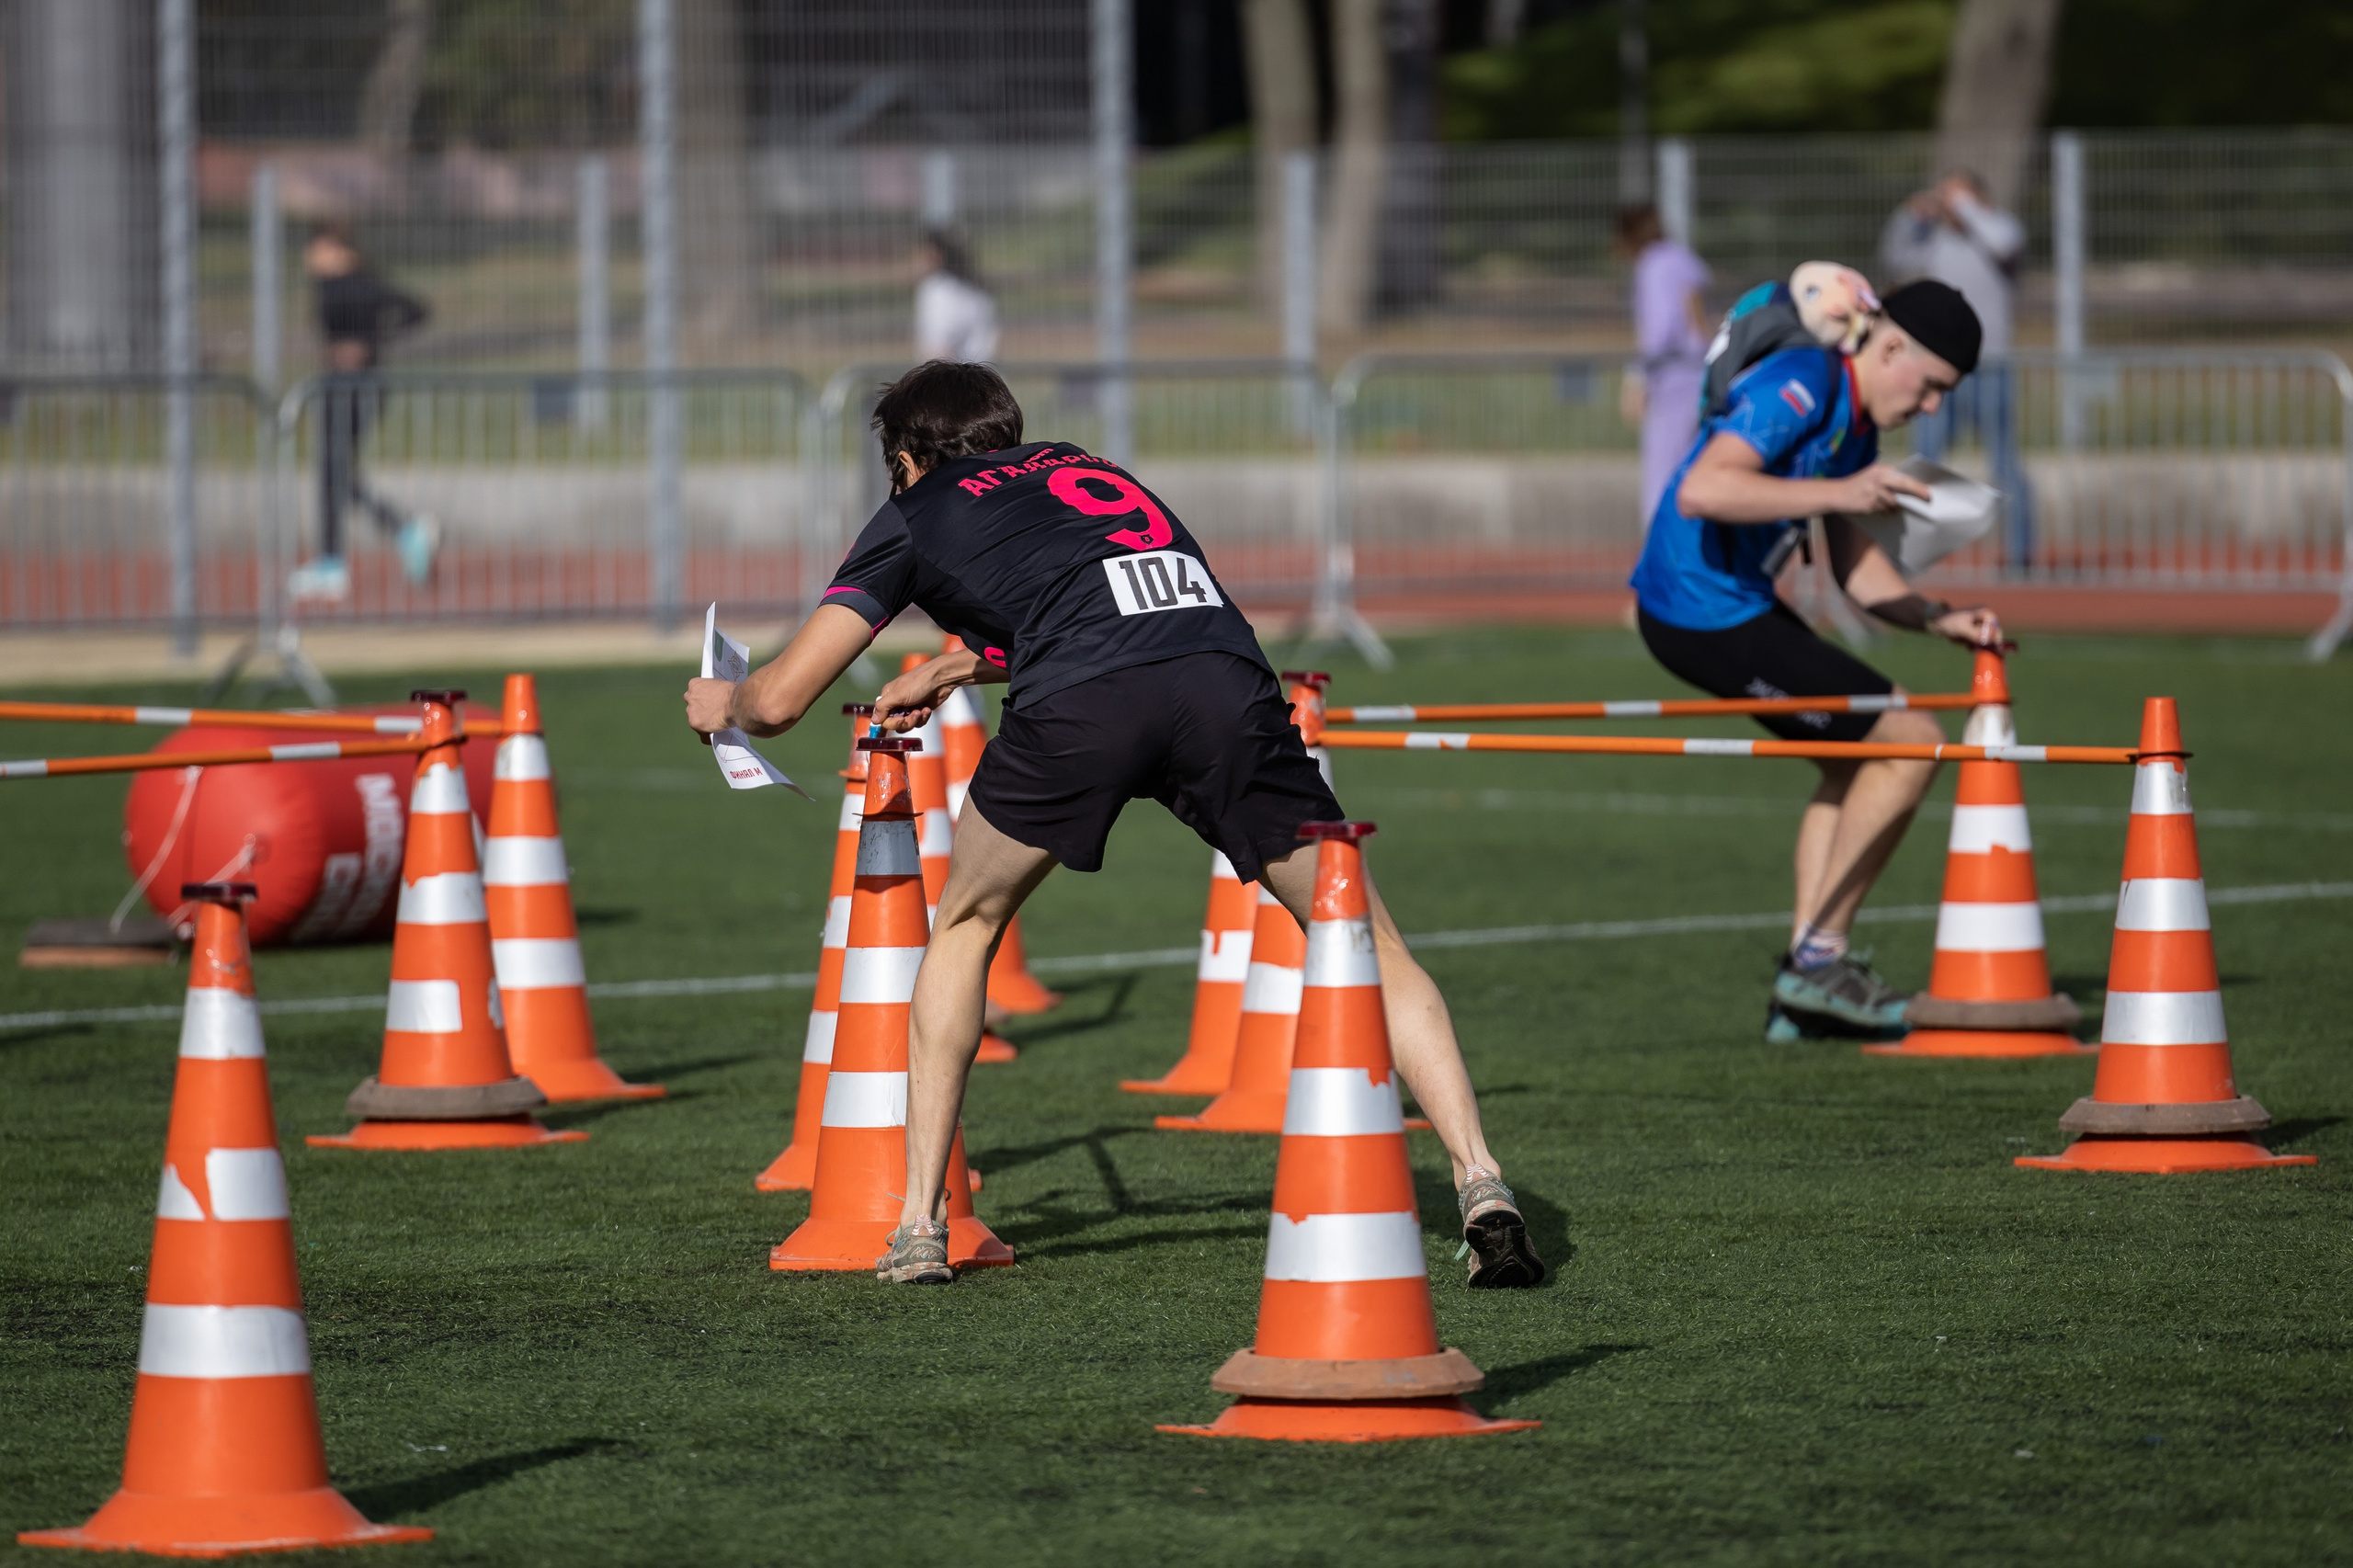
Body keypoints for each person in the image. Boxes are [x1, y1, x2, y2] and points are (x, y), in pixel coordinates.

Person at [685, 360, 1543, 1290]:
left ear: (906, 459)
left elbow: (784, 700)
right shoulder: (1089, 467)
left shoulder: (914, 511)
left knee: (966, 925)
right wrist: (957, 665)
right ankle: (1480, 1181)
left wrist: (726, 700)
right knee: (1364, 935)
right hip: (1221, 682)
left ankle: (921, 1224)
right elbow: (1122, 605)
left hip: (1083, 710)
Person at [1627, 280, 2006, 1042]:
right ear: (1890, 347)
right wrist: (1843, 491)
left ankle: (1805, 988)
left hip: (1730, 606)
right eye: (1931, 385)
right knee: (1911, 741)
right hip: (1698, 612)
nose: (1933, 407)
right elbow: (1703, 489)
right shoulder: (1803, 383)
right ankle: (1818, 964)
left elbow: (1855, 569)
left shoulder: (1855, 426)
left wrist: (1934, 615)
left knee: (1854, 760)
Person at [1880, 169, 2031, 566]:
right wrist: (1910, 217)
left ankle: (2020, 556)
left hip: (1991, 367)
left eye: (1959, 197)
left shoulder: (2000, 230)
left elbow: (2003, 243)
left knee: (2004, 462)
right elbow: (1895, 258)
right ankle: (1907, 554)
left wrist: (1965, 206)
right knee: (1924, 459)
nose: (1950, 206)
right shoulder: (1936, 242)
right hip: (1938, 371)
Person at [287, 222, 438, 603]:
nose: (312, 256)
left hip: (354, 388)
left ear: (342, 251)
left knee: (334, 472)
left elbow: (415, 310)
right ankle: (386, 538)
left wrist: (371, 344)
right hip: (339, 385)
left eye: (321, 248)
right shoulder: (336, 285)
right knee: (334, 474)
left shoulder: (354, 284)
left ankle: (351, 555)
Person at [1615, 205, 1711, 527]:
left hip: (1673, 381)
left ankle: (1661, 549)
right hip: (1700, 375)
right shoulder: (1680, 258)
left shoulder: (1652, 265)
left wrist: (1636, 378)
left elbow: (1660, 330)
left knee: (1662, 478)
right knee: (1695, 473)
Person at [915, 228, 999, 365]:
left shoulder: (937, 290)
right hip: (981, 370)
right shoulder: (978, 291)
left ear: (938, 255)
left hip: (950, 372)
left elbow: (938, 346)